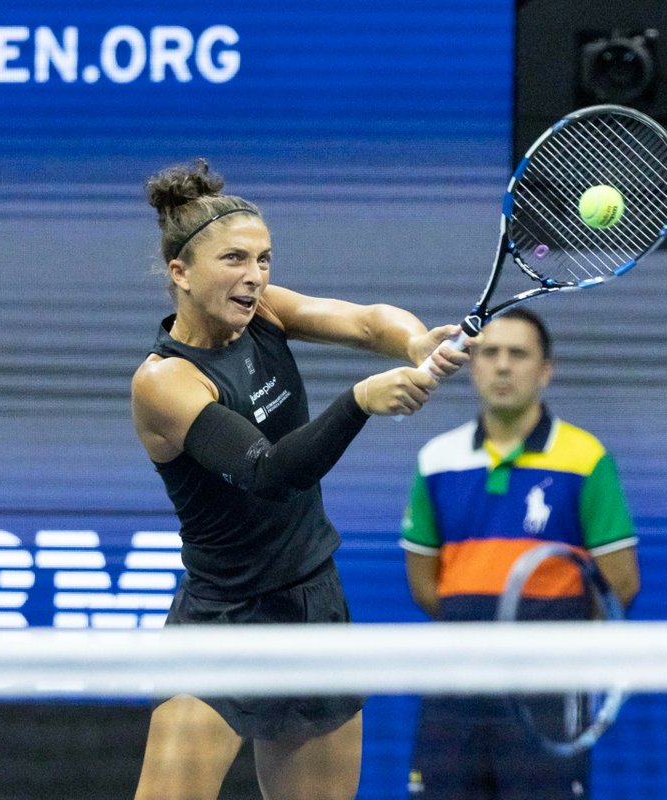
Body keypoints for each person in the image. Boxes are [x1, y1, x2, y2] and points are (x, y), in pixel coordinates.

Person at [129, 158, 474, 800]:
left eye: (264, 259)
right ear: (180, 272)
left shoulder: (266, 313)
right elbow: (267, 472)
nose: (255, 275)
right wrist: (360, 401)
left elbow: (368, 322)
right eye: (234, 259)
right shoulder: (164, 381)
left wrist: (414, 342)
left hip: (313, 605)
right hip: (223, 620)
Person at [399, 308, 640, 800]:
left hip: (548, 690)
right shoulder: (436, 460)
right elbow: (425, 585)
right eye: (490, 353)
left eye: (518, 354)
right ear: (473, 366)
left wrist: (553, 642)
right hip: (454, 689)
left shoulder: (586, 458)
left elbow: (620, 584)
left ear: (545, 370)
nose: (503, 366)